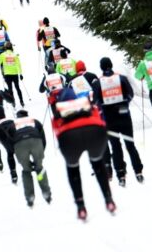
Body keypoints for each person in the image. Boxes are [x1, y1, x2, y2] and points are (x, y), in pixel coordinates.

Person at [50, 82, 116, 219]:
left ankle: (81, 206)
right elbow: (98, 116)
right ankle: (108, 199)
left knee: (73, 169)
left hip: (69, 137)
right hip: (95, 131)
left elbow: (56, 128)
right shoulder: (86, 102)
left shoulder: (59, 109)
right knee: (98, 164)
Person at [92, 56, 144, 185]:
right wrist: (124, 104)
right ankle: (138, 172)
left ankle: (121, 175)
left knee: (115, 147)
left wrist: (105, 107)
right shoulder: (121, 78)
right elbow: (130, 94)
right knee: (130, 145)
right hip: (124, 116)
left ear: (101, 68)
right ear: (111, 65)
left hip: (109, 119)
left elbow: (96, 101)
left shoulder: (98, 82)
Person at [3, 109, 52, 207]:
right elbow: (43, 138)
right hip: (36, 142)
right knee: (39, 168)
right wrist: (41, 153)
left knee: (26, 170)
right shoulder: (34, 121)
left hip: (20, 145)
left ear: (17, 117)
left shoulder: (13, 124)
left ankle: (30, 196)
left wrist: (14, 152)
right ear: (27, 115)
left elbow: (8, 141)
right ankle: (46, 192)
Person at [0, 42, 25, 106]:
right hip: (15, 73)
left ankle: (13, 102)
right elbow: (19, 65)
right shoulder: (14, 55)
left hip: (7, 74)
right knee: (17, 88)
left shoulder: (3, 55)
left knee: (10, 89)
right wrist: (20, 74)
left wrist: (1, 58)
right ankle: (21, 101)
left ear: (5, 48)